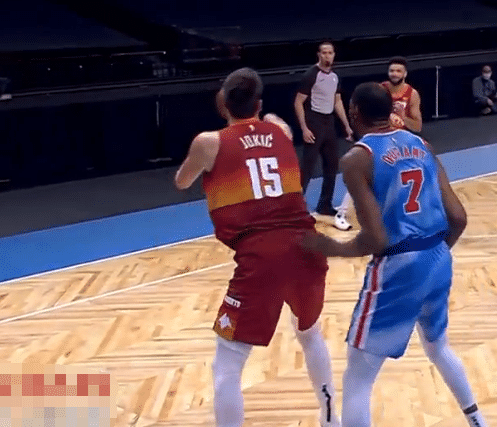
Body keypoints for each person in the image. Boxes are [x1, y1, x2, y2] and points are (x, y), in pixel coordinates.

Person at [302, 82, 489, 427]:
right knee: (438, 347)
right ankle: (478, 421)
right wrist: (432, 256)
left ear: (354, 113)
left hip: (399, 265)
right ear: (391, 111)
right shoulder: (422, 144)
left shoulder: (357, 159)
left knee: (358, 379)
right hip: (438, 256)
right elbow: (459, 218)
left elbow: (375, 239)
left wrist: (330, 247)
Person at [174, 67, 340, 427]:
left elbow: (181, 181)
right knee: (310, 333)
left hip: (262, 256)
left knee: (227, 362)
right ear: (259, 104)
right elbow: (272, 128)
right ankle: (331, 420)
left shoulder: (208, 142)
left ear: (222, 102)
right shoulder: (280, 130)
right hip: (308, 247)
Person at [333, 56, 425, 232]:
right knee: (362, 174)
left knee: (399, 180)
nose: (394, 74)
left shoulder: (411, 94)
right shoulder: (379, 90)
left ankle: (399, 214)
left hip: (399, 141)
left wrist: (402, 117)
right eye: (392, 70)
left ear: (405, 74)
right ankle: (342, 213)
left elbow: (417, 126)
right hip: (379, 138)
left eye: (398, 71)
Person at [294, 40, 353, 217]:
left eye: (330, 53)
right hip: (314, 121)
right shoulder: (311, 74)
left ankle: (325, 205)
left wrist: (346, 126)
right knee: (308, 166)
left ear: (334, 55)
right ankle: (295, 209)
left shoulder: (335, 75)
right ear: (319, 55)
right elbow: (298, 102)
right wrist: (304, 128)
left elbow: (337, 101)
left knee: (332, 165)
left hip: (329, 122)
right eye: (324, 53)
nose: (327, 56)